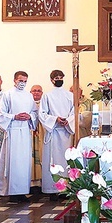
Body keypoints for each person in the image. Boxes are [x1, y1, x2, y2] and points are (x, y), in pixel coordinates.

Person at [0, 71, 38, 203]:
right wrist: (14, 116)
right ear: (14, 80)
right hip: (13, 131)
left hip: (25, 131)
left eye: (25, 81)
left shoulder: (28, 96)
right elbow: (0, 114)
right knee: (14, 162)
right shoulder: (8, 95)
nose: (22, 84)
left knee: (24, 162)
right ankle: (13, 193)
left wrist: (30, 116)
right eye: (20, 81)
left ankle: (22, 191)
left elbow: (34, 112)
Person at [39, 70, 75, 198]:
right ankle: (52, 190)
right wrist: (55, 119)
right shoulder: (47, 96)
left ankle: (66, 189)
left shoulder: (70, 95)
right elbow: (42, 114)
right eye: (56, 77)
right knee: (52, 161)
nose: (59, 79)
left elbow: (74, 112)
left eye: (61, 77)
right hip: (53, 131)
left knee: (65, 161)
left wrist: (68, 121)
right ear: (51, 80)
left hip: (65, 132)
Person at [30, 84, 43, 190]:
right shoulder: (27, 103)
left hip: (42, 134)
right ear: (30, 92)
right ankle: (31, 184)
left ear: (42, 93)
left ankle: (40, 182)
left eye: (39, 91)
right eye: (34, 91)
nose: (36, 92)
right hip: (29, 133)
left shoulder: (45, 103)